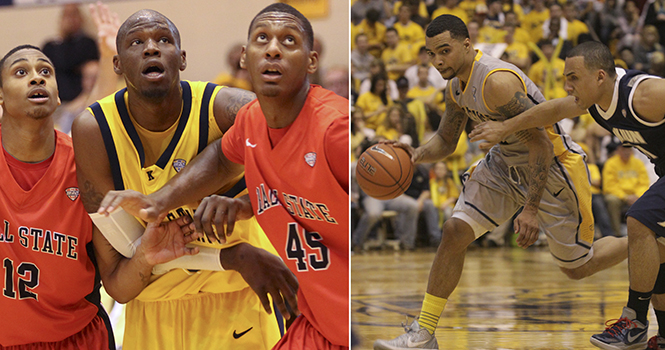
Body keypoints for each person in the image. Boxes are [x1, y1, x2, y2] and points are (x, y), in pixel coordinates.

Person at [96, 3, 349, 349]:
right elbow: (221, 159)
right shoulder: (251, 122)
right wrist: (162, 202)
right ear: (245, 57)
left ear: (311, 60)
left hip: (333, 313)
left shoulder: (335, 130)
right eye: (263, 38)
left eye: (288, 41)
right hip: (313, 322)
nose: (273, 48)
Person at [374, 15, 627, 350]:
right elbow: (447, 142)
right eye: (431, 53)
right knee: (454, 232)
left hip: (550, 168)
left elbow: (541, 144)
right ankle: (424, 333)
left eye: (445, 51)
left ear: (468, 45)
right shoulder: (455, 87)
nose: (437, 61)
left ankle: (643, 238)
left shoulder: (496, 81)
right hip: (503, 163)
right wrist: (414, 155)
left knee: (580, 267)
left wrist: (530, 209)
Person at [0, 4, 180, 349]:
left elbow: (118, 284)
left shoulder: (84, 162)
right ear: (1, 95)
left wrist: (143, 257)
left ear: (57, 95)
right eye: (20, 73)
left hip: (79, 339)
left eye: (45, 72)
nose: (37, 77)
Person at [469, 40, 665, 350]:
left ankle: (635, 322)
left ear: (600, 76)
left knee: (640, 221)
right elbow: (553, 109)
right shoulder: (596, 102)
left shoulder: (646, 95)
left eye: (573, 77)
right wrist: (505, 127)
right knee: (655, 246)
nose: (566, 84)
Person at [42, 4, 100, 103]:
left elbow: (71, 61)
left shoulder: (87, 43)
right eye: (67, 15)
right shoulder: (50, 46)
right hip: (54, 101)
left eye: (74, 15)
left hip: (82, 100)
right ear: (61, 19)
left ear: (81, 19)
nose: (70, 20)